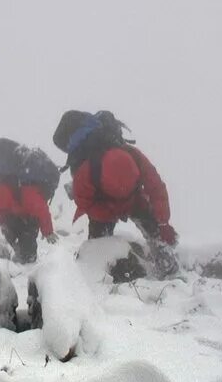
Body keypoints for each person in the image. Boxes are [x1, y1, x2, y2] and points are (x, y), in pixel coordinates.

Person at [53, 110, 179, 279]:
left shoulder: (125, 157)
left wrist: (163, 223)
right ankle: (97, 277)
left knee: (102, 242)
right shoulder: (118, 157)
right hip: (119, 202)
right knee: (103, 243)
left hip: (119, 204)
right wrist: (161, 223)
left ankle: (166, 268)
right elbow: (155, 186)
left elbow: (155, 186)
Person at [0, 138, 60, 263]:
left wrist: (48, 231)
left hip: (28, 219)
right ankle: (21, 258)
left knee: (27, 241)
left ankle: (28, 262)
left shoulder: (24, 189)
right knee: (18, 236)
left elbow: (40, 208)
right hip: (17, 218)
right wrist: (4, 226)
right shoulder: (3, 184)